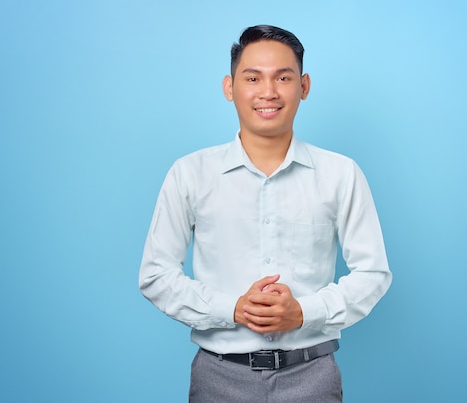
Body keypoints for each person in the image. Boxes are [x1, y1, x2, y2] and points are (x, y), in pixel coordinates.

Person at [139, 25, 392, 402]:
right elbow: (156, 275)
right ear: (229, 87)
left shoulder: (341, 173)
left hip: (312, 376)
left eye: (283, 77)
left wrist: (304, 312)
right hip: (219, 377)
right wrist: (233, 308)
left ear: (304, 86)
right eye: (253, 77)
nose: (268, 92)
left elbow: (373, 274)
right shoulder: (190, 173)